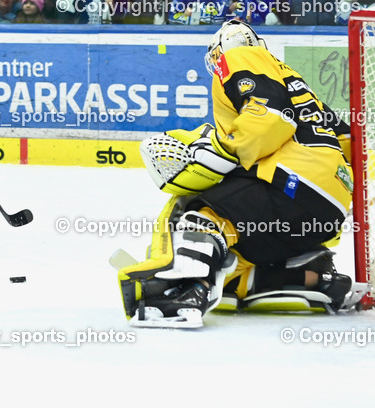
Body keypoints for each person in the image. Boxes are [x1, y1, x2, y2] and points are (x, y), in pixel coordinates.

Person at [118, 19, 358, 328]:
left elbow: (270, 119)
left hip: (291, 184)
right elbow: (353, 144)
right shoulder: (299, 87)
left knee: (195, 214)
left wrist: (222, 148)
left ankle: (191, 292)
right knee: (228, 270)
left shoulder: (240, 57)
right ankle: (317, 277)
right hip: (327, 209)